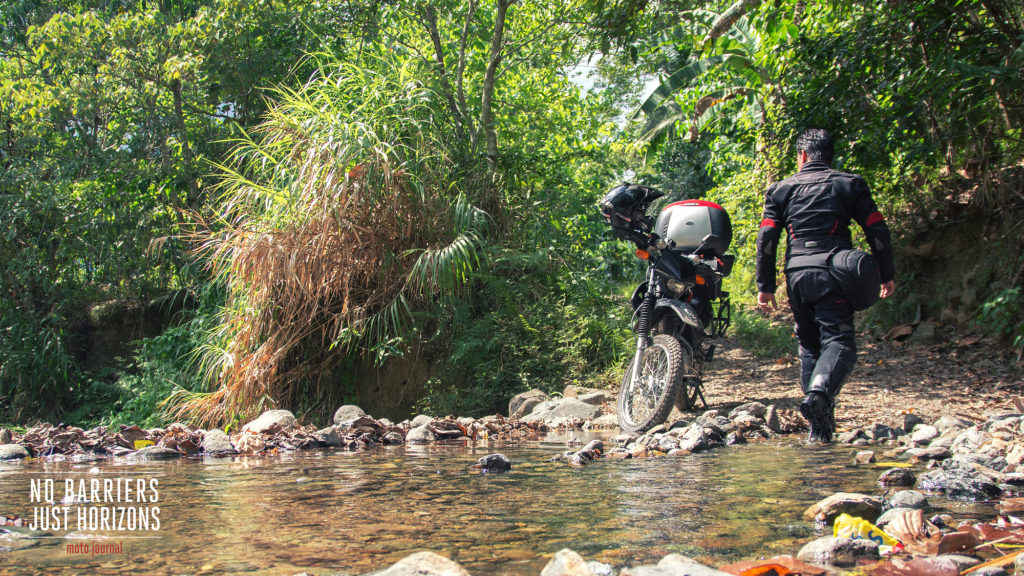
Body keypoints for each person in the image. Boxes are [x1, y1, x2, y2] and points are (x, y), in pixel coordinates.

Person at [755, 129, 896, 442]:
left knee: (809, 344)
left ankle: (820, 431)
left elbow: (767, 237)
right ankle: (818, 396)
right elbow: (877, 230)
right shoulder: (849, 184)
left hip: (796, 276)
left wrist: (765, 285)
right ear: (828, 155)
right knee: (840, 341)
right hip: (833, 271)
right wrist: (886, 273)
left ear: (802, 156)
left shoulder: (780, 189)